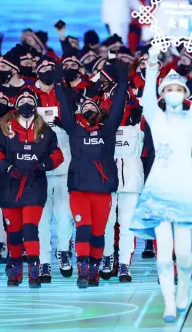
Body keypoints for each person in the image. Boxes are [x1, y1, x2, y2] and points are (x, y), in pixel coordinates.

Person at [131, 45, 192, 323]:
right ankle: (168, 302)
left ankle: (185, 287)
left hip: (186, 189)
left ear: (185, 94)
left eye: (178, 89)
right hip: (159, 190)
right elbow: (146, 98)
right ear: (162, 94)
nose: (174, 92)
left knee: (185, 253)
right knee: (164, 254)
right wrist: (152, 64)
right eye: (169, 89)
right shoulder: (156, 119)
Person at [54, 59, 129, 289]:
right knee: (83, 229)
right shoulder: (74, 128)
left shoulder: (108, 129)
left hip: (102, 190)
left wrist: (123, 82)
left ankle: (94, 269)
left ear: (99, 111)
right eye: (84, 106)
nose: (88, 108)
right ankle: (83, 270)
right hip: (79, 189)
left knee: (98, 233)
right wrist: (58, 83)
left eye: (92, 106)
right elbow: (63, 105)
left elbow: (118, 106)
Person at [0, 89, 63, 288]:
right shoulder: (5, 128)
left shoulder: (45, 130)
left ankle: (33, 270)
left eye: (30, 100)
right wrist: (6, 166)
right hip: (9, 186)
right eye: (22, 100)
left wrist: (45, 164)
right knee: (13, 232)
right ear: (16, 105)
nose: (26, 103)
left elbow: (57, 155)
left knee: (30, 229)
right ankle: (16, 268)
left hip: (34, 186)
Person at [33, 59, 75, 283]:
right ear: (37, 72)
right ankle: (44, 261)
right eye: (44, 69)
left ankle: (63, 251)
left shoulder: (66, 95)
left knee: (65, 216)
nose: (48, 73)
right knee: (41, 218)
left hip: (64, 165)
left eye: (52, 69)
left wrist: (60, 90)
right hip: (38, 168)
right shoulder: (29, 95)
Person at [101, 98, 144, 282]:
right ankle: (108, 257)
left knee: (127, 224)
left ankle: (125, 263)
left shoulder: (139, 121)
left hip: (132, 181)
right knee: (107, 223)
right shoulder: (103, 122)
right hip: (106, 180)